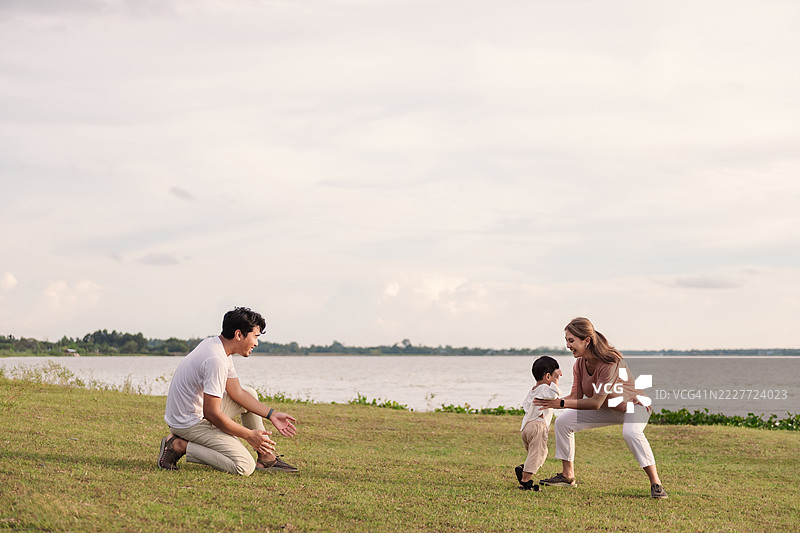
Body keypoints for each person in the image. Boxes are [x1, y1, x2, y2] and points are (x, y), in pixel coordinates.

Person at [534, 317, 668, 499]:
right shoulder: (579, 364)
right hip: (609, 408)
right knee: (564, 422)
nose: (567, 345)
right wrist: (550, 400)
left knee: (631, 433)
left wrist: (561, 403)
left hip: (634, 406)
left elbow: (596, 401)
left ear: (586, 341)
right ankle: (567, 476)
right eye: (566, 340)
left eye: (571, 340)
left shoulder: (610, 362)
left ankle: (656, 484)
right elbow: (575, 397)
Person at [157, 307, 299, 476]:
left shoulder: (218, 347)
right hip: (188, 423)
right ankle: (178, 445)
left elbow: (237, 392)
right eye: (255, 336)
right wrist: (249, 435)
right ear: (239, 335)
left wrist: (271, 414)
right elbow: (211, 413)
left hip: (195, 413)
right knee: (244, 467)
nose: (256, 343)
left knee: (249, 393)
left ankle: (266, 457)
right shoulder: (215, 360)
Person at [515, 355, 562, 491]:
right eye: (555, 375)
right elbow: (554, 394)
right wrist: (556, 381)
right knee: (538, 455)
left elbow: (525, 406)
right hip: (537, 426)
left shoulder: (534, 390)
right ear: (548, 377)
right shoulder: (545, 389)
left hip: (527, 427)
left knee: (536, 454)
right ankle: (525, 482)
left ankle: (523, 469)